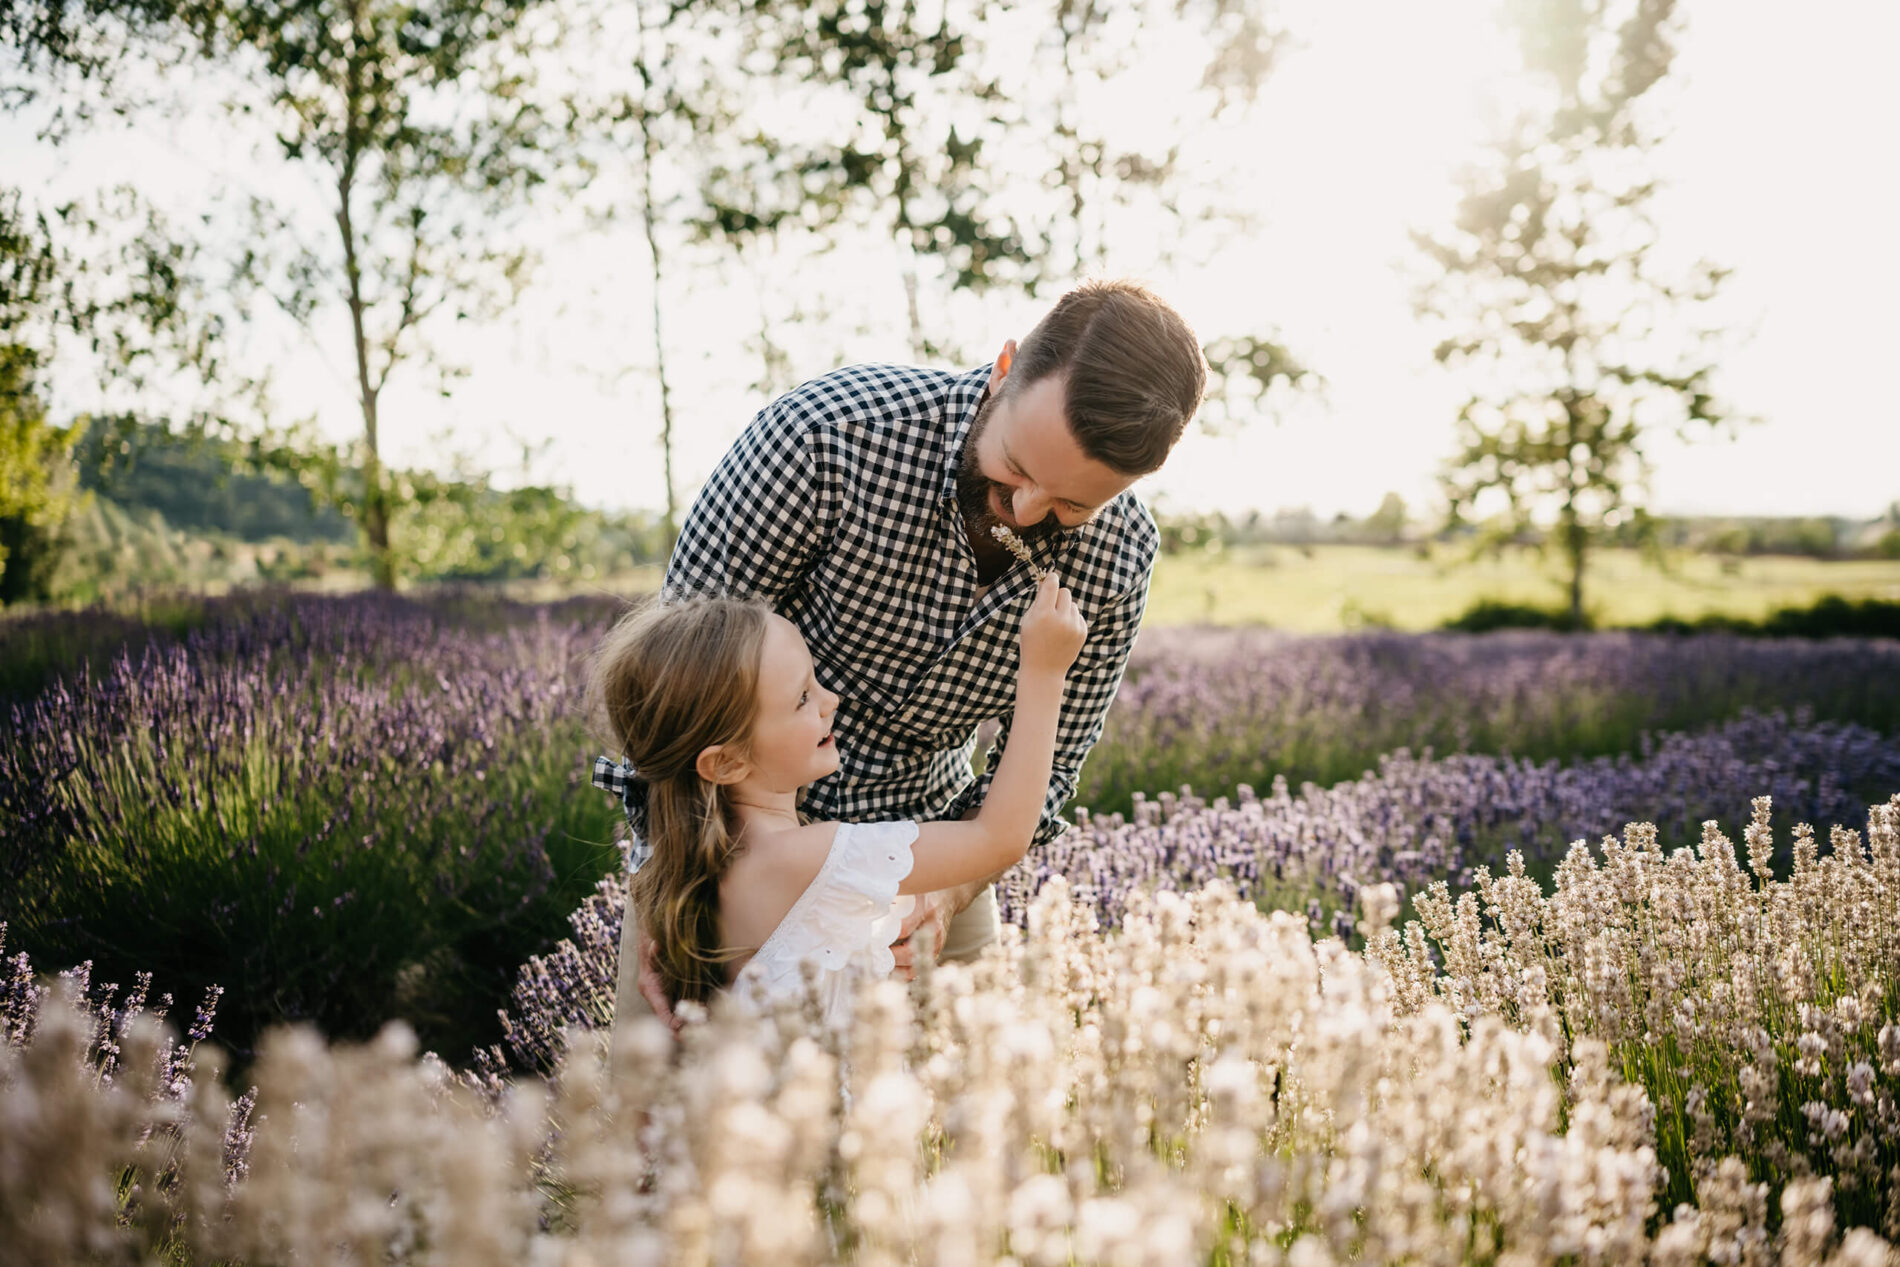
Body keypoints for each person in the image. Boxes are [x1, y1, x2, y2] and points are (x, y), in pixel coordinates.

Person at [621, 278, 1206, 1028]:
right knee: (675, 1126)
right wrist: (664, 888)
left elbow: (1050, 768)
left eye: (1071, 506)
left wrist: (942, 895)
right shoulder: (828, 435)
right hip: (729, 866)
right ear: (1004, 369)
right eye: (1019, 468)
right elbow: (673, 681)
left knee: (941, 1132)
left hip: (935, 853)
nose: (1027, 512)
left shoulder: (1121, 554)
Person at [590, 574, 1086, 1025]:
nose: (832, 700)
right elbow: (997, 838)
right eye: (803, 698)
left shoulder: (707, 865)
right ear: (726, 763)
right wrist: (1043, 672)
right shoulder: (801, 857)